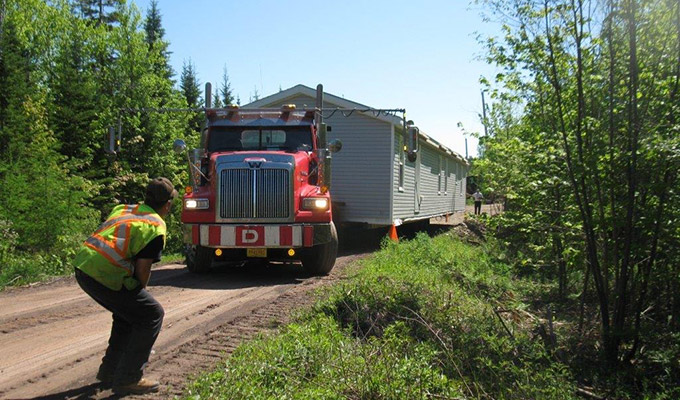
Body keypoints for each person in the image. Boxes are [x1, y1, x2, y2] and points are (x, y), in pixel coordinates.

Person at [73, 177, 177, 395]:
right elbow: (143, 270)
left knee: (127, 313)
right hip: (104, 273)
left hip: (83, 266)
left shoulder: (124, 208)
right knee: (151, 314)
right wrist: (140, 290)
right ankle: (129, 378)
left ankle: (110, 371)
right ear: (167, 204)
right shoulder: (156, 227)